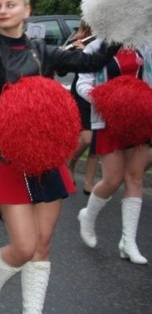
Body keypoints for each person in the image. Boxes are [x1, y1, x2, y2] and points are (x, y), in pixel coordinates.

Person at [0, 0, 117, 313]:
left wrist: (120, 28)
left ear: (27, 10)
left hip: (46, 157)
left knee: (43, 244)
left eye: (11, 4)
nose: (3, 10)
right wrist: (9, 111)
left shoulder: (41, 50)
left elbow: (89, 63)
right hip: (6, 156)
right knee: (23, 246)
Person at [76, 41, 149, 265]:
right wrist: (106, 98)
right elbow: (83, 82)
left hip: (141, 119)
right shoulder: (97, 46)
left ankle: (128, 242)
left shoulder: (145, 43)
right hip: (108, 119)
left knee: (135, 177)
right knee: (112, 180)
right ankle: (88, 216)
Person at [62, 21, 98, 194]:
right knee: (86, 138)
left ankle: (89, 183)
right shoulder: (79, 39)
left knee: (97, 142)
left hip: (102, 89)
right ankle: (70, 162)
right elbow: (64, 66)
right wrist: (80, 50)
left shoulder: (107, 40)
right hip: (83, 92)